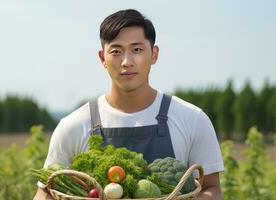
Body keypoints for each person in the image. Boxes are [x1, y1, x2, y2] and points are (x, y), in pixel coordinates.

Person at [34, 9, 224, 200]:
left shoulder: (193, 120)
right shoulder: (73, 126)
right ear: (102, 58)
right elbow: (46, 192)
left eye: (137, 50)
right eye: (116, 51)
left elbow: (211, 188)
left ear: (154, 54)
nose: (126, 62)